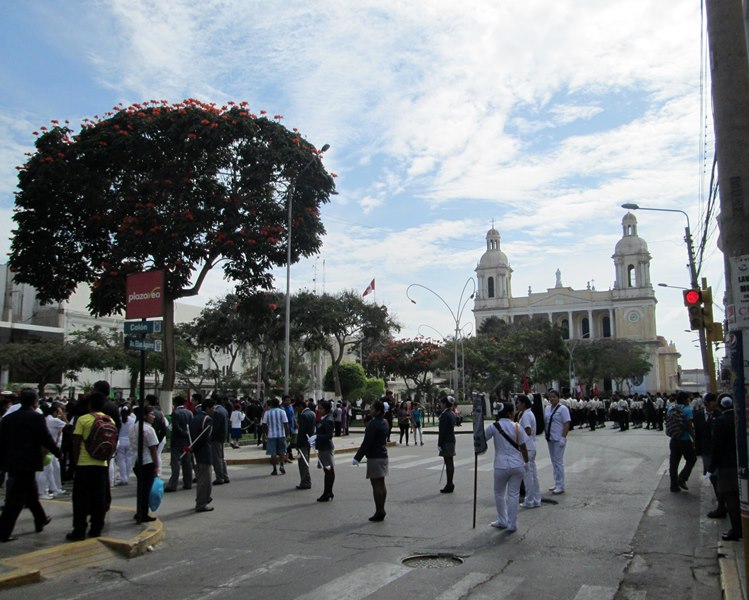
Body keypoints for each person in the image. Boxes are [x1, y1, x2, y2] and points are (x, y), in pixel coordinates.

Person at [0, 389, 61, 542]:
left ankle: (40, 519)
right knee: (15, 500)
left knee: (31, 493)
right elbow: (45, 438)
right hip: (28, 462)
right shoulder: (36, 417)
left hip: (12, 462)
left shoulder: (8, 418)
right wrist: (57, 452)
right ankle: (3, 532)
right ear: (35, 402)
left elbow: (2, 442)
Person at [67, 391, 112, 541]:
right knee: (99, 498)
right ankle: (96, 528)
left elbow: (76, 442)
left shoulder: (83, 419)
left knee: (81, 499)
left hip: (84, 465)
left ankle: (79, 530)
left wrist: (75, 463)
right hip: (102, 464)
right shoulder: (109, 420)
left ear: (90, 404)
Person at [485, 402, 529, 532]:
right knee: (513, 494)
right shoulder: (517, 426)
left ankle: (502, 520)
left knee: (499, 493)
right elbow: (523, 447)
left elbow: (481, 439)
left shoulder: (493, 427)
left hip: (501, 465)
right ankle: (512, 523)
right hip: (517, 464)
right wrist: (526, 463)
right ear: (510, 413)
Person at [709, 394, 741, 540]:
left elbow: (717, 446)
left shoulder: (720, 422)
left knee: (730, 496)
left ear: (720, 405)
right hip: (741, 463)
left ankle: (736, 529)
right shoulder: (740, 418)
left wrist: (712, 467)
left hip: (726, 465)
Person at [353, 399, 389, 521]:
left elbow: (366, 443)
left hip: (374, 456)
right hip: (383, 455)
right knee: (381, 483)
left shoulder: (373, 424)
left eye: (372, 408)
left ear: (378, 411)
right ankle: (381, 509)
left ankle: (379, 510)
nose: (370, 410)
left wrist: (357, 458)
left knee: (376, 485)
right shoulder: (385, 422)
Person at [128, 405, 159, 523]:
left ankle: (140, 511)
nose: (153, 417)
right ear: (145, 416)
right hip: (147, 462)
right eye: (151, 414)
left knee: (141, 489)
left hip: (136, 461)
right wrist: (156, 466)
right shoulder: (148, 429)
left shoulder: (133, 427)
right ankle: (143, 513)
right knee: (146, 489)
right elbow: (153, 449)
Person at [695, 393, 723, 517]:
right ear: (707, 402)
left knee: (718, 476)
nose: (716, 403)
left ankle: (722, 504)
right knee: (712, 476)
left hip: (718, 450)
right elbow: (697, 432)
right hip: (706, 450)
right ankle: (720, 501)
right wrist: (697, 449)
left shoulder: (720, 414)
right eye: (713, 401)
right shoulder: (699, 414)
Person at [667, 391, 697, 493]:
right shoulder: (687, 410)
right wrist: (694, 438)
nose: (689, 400)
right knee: (692, 459)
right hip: (684, 440)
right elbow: (689, 426)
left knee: (673, 463)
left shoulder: (671, 408)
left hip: (674, 439)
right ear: (684, 400)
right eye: (688, 398)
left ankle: (673, 486)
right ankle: (682, 477)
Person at [190, 398, 215, 512]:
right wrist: (194, 447)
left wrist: (192, 449)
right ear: (208, 408)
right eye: (213, 408)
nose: (214, 410)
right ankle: (201, 504)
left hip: (194, 454)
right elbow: (204, 438)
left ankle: (201, 499)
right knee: (206, 481)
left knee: (200, 480)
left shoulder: (194, 418)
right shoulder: (207, 420)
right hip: (204, 453)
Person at [544, 389, 571, 495]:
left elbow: (566, 423)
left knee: (558, 462)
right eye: (550, 397)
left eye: (554, 397)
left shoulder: (563, 409)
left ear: (558, 398)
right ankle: (556, 482)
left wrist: (563, 437)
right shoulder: (547, 408)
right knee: (554, 462)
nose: (552, 399)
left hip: (558, 438)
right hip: (550, 438)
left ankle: (560, 485)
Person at [517, 395, 541, 508]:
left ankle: (529, 500)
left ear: (523, 403)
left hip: (527, 447)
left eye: (518, 402)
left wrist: (518, 438)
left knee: (528, 476)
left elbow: (528, 431)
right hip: (531, 446)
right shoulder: (529, 413)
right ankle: (536, 499)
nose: (517, 405)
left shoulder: (526, 415)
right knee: (533, 475)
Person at [166, 396, 193, 492]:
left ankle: (173, 484)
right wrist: (188, 434)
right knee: (187, 463)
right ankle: (188, 483)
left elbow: (176, 428)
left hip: (177, 441)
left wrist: (183, 433)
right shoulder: (189, 413)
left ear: (175, 403)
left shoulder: (176, 413)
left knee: (176, 463)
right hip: (187, 441)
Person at [262, 398, 290, 476]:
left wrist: (265, 434)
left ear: (271, 404)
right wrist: (288, 434)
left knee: (273, 453)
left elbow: (264, 424)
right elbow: (286, 424)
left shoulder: (267, 413)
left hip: (271, 435)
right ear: (278, 404)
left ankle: (274, 469)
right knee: (282, 451)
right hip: (281, 434)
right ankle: (282, 465)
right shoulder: (282, 412)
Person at [315, 399, 336, 502]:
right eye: (318, 408)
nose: (319, 410)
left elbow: (329, 435)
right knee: (327, 471)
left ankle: (327, 492)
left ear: (326, 409)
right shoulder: (324, 418)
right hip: (322, 448)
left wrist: (316, 437)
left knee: (329, 471)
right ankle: (328, 492)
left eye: (321, 408)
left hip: (326, 448)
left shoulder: (328, 420)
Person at [294, 399, 316, 490]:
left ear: (300, 407)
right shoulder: (312, 413)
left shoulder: (303, 415)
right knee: (306, 461)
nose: (297, 410)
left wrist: (297, 443)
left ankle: (305, 482)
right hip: (309, 440)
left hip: (303, 442)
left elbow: (301, 432)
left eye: (297, 408)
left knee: (303, 463)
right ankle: (306, 481)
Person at [438, 396, 456, 493]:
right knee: (450, 462)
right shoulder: (451, 413)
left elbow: (442, 431)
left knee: (448, 462)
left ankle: (449, 484)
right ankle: (450, 483)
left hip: (446, 441)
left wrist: (439, 443)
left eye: (441, 403)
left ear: (445, 404)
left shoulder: (445, 415)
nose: (440, 405)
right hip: (451, 439)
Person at [211, 397, 230, 485]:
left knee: (217, 458)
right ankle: (225, 476)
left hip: (217, 438)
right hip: (222, 436)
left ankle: (219, 477)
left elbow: (215, 427)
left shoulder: (217, 412)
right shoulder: (224, 410)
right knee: (221, 457)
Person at [116, 406, 133, 486]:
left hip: (120, 441)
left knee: (121, 460)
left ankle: (123, 477)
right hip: (130, 441)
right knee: (129, 459)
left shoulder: (119, 420)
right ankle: (127, 476)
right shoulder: (132, 420)